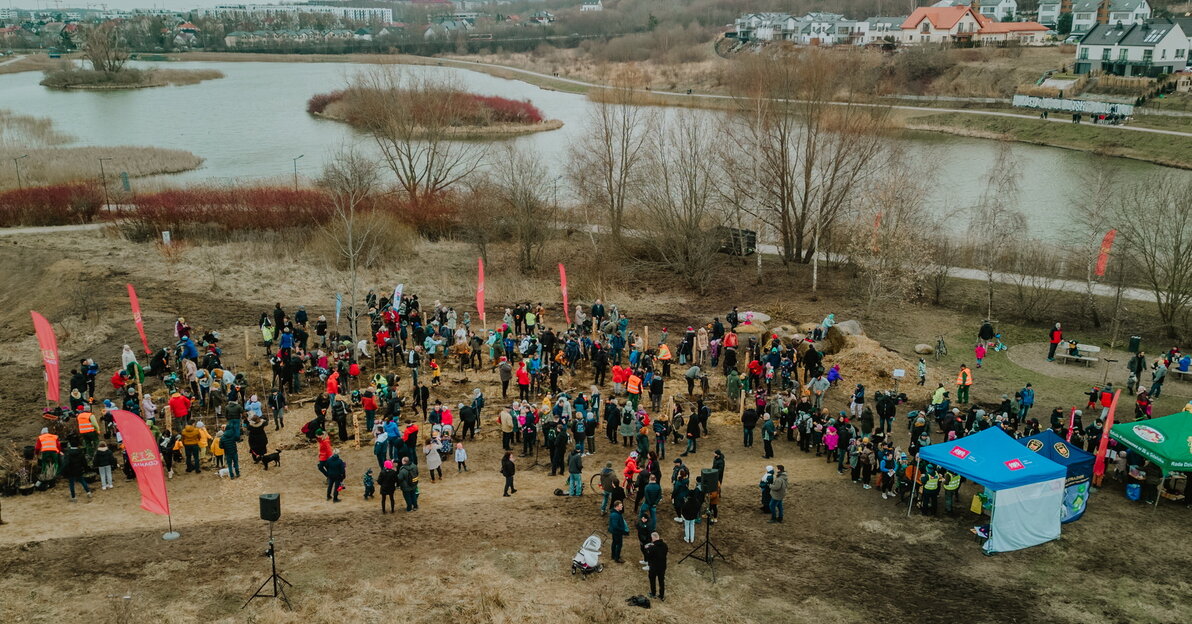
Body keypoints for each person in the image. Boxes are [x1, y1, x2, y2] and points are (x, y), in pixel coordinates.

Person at [644, 532, 668, 601]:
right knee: (661, 581)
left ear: (653, 538)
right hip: (662, 566)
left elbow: (648, 556)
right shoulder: (665, 545)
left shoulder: (652, 547)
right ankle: (661, 595)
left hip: (654, 567)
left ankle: (653, 593)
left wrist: (647, 549)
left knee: (652, 580)